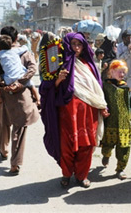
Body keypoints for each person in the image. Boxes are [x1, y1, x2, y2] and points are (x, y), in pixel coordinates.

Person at [39, 32, 109, 188]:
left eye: (79, 45)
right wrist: (58, 80)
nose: (76, 48)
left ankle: (82, 175)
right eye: (73, 44)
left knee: (87, 145)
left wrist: (104, 106)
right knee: (67, 145)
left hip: (89, 114)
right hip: (68, 114)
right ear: (66, 45)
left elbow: (98, 89)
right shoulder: (58, 63)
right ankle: (66, 173)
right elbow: (45, 89)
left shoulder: (89, 65)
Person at [0, 26, 39, 175]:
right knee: (20, 127)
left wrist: (4, 86)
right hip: (21, 95)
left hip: (4, 94)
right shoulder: (23, 51)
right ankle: (15, 164)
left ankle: (3, 150)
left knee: (3, 123)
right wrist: (20, 82)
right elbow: (32, 68)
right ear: (16, 38)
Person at [101, 60, 131, 180]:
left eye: (124, 72)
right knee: (108, 143)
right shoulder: (106, 85)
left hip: (124, 121)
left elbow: (128, 104)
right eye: (120, 72)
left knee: (124, 145)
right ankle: (106, 154)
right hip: (110, 120)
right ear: (112, 71)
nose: (122, 75)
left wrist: (129, 117)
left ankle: (120, 169)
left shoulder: (125, 87)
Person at [0, 35, 40, 107]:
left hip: (8, 79)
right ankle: (38, 100)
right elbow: (25, 48)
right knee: (32, 85)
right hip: (20, 76)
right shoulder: (15, 50)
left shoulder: (0, 54)